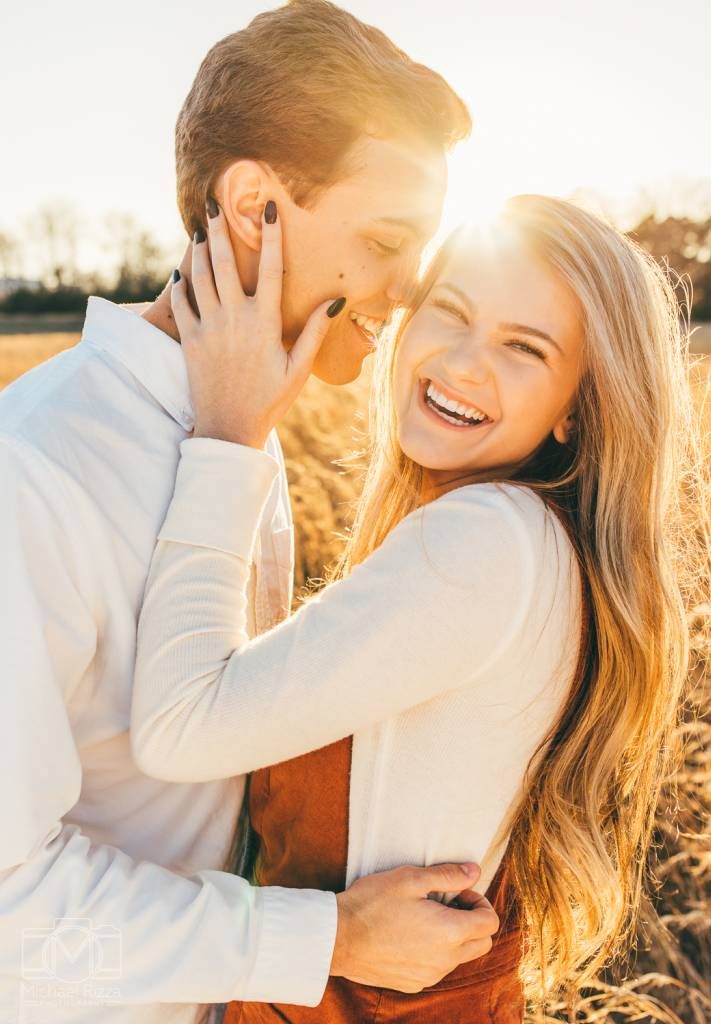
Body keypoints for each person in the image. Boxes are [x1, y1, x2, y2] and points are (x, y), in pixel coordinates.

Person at [0, 4, 503, 1023]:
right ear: (254, 208)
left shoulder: (239, 433)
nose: (409, 290)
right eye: (385, 240)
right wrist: (331, 940)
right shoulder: (38, 467)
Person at [130, 194, 711, 1023]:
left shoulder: (484, 542)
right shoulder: (539, 543)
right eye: (451, 309)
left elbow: (178, 727)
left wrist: (228, 434)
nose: (464, 361)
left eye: (525, 347)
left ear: (574, 412)